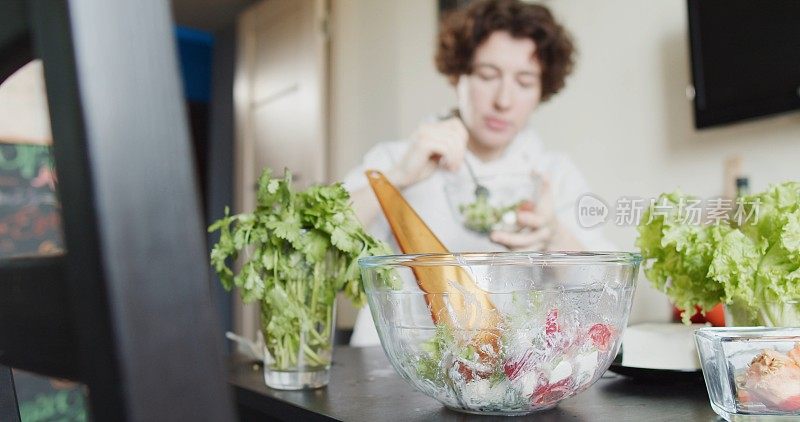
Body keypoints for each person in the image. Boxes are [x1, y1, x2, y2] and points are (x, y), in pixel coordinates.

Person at [343, 0, 615, 346]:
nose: (504, 100)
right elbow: (316, 240)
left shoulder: (554, 174)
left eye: (525, 81)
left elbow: (606, 295)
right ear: (458, 74)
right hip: (389, 366)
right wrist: (398, 177)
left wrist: (554, 239)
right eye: (488, 76)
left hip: (509, 378)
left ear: (542, 90)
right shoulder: (396, 158)